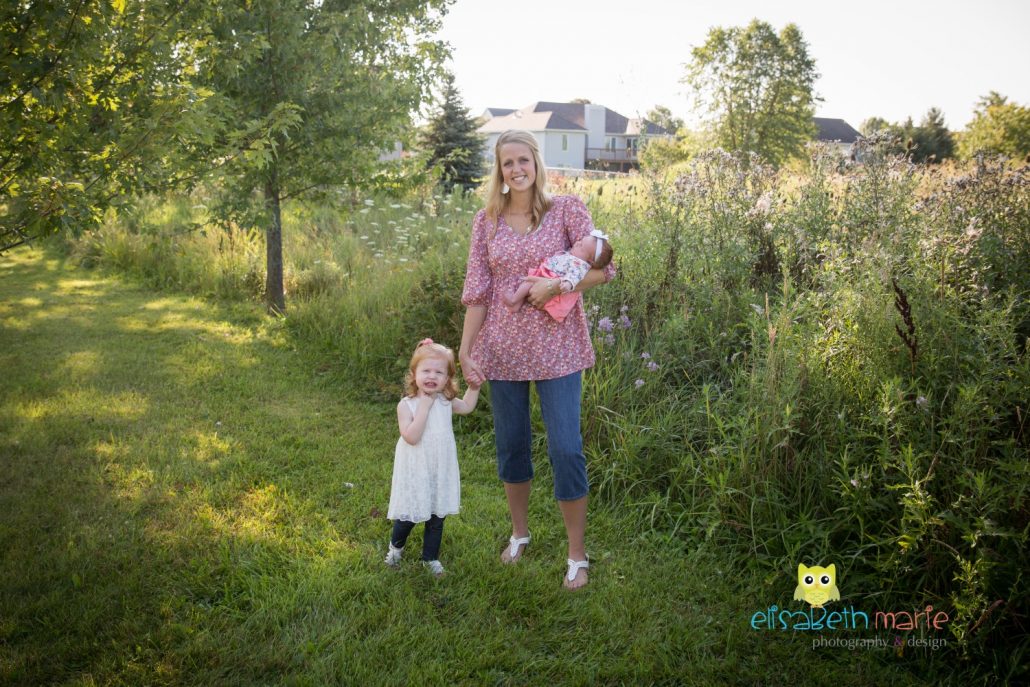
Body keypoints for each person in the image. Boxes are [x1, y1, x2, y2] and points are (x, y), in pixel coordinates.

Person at [459, 129, 616, 590]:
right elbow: (478, 292)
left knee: (566, 448)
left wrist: (558, 285)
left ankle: (576, 554)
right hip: (503, 352)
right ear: (499, 170)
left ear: (536, 163)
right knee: (511, 447)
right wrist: (467, 349)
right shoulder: (485, 222)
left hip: (559, 350)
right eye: (507, 163)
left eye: (523, 160)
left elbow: (605, 269)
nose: (516, 169)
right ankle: (520, 534)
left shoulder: (566, 210)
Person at [385, 338, 480, 577]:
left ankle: (430, 559)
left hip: (440, 468)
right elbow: (411, 437)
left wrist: (475, 387)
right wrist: (424, 408)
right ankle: (396, 548)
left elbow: (467, 406)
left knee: (437, 516)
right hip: (416, 468)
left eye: (439, 372)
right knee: (410, 515)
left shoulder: (446, 402)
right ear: (414, 373)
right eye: (426, 370)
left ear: (447, 379)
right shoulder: (406, 405)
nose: (432, 376)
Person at [503, 231, 614, 322]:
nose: (577, 243)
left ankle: (514, 300)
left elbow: (574, 277)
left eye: (582, 247)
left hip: (551, 279)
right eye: (580, 241)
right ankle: (517, 303)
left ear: (589, 261)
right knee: (528, 283)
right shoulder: (573, 256)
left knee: (528, 282)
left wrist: (567, 284)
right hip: (547, 275)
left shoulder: (579, 265)